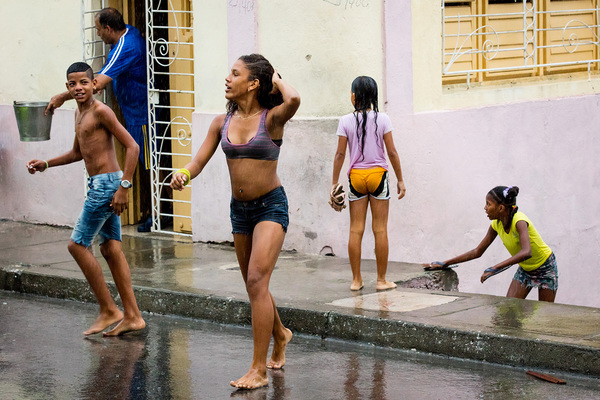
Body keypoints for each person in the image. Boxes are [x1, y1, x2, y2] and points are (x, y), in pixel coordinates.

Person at [170, 54, 300, 389]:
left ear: (254, 83)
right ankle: (281, 334)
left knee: (257, 279)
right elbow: (198, 160)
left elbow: (295, 99)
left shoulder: (272, 119)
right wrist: (183, 174)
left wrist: (277, 78)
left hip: (271, 207)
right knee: (254, 284)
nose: (227, 78)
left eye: (235, 73)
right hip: (240, 211)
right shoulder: (221, 123)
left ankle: (258, 370)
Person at [27, 62, 146, 335]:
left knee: (77, 246)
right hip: (100, 183)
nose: (78, 88)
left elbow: (133, 146)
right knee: (110, 249)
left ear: (95, 85)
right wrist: (46, 163)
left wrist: (124, 187)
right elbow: (77, 153)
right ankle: (133, 315)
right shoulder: (79, 116)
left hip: (107, 186)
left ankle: (108, 309)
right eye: (72, 84)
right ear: (67, 88)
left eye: (84, 82)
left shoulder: (101, 112)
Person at [45, 7, 152, 231]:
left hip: (141, 114)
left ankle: (160, 212)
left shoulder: (125, 47)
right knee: (110, 244)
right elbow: (76, 153)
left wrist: (62, 97)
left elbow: (98, 83)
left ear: (108, 28)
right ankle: (155, 212)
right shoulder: (128, 34)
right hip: (133, 112)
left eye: (98, 30)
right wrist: (46, 164)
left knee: (151, 163)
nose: (98, 35)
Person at [331, 76, 406, 291]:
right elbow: (391, 152)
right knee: (380, 229)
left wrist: (334, 183)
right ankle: (381, 280)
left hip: (356, 177)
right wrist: (400, 179)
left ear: (354, 97)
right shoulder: (383, 119)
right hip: (378, 176)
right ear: (374, 97)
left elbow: (339, 154)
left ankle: (356, 280)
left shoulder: (345, 121)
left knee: (356, 230)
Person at [423, 186, 558, 302]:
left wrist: (495, 268)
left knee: (545, 315)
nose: (485, 208)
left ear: (500, 208)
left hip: (545, 268)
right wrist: (445, 263)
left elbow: (526, 252)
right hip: (526, 270)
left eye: (488, 204)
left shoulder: (519, 221)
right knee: (509, 311)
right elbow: (477, 251)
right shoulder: (496, 225)